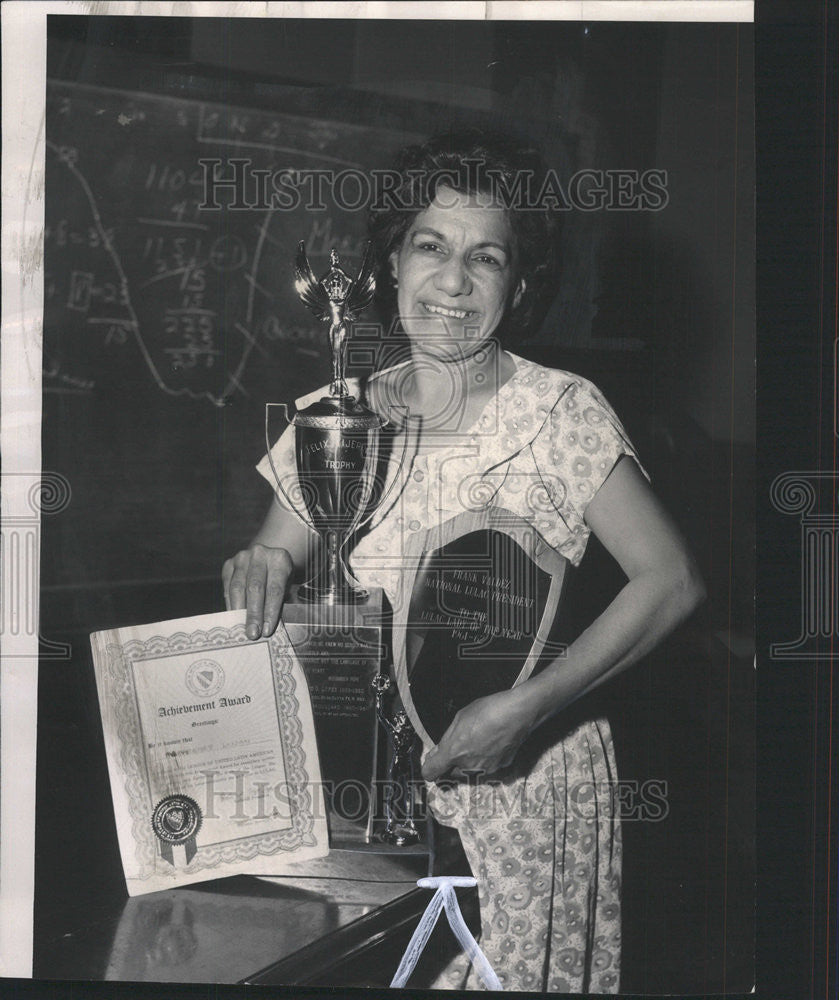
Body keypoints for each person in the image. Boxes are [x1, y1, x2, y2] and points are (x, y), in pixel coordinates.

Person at [222, 131, 705, 993]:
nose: (453, 281)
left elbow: (672, 582)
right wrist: (258, 562)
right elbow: (279, 551)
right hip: (364, 800)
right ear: (392, 265)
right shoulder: (333, 419)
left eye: (486, 258)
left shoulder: (560, 410)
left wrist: (528, 710)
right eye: (431, 247)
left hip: (519, 789)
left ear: (517, 286)